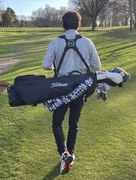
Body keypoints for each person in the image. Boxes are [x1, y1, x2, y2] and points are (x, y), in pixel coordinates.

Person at [42, 11, 101, 174]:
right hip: (80, 88)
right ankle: (71, 153)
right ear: (78, 24)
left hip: (60, 88)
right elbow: (97, 67)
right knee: (73, 124)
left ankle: (64, 153)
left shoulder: (55, 42)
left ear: (63, 24)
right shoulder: (87, 42)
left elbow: (45, 65)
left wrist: (58, 67)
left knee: (56, 123)